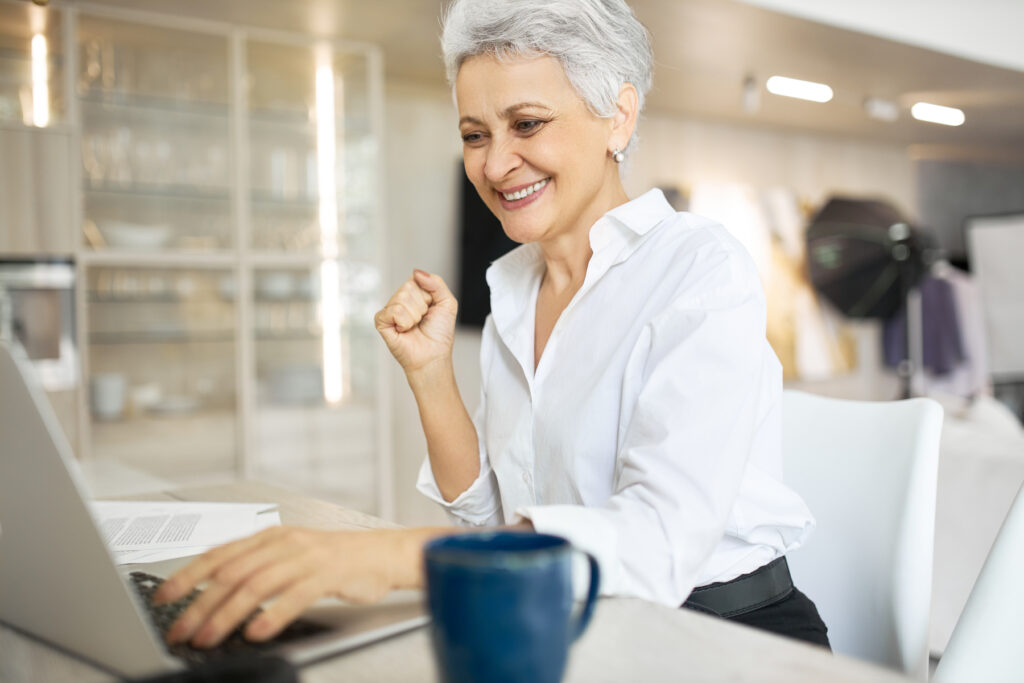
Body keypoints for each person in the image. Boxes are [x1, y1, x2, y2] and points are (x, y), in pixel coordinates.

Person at [154, 0, 830, 649]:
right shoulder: (514, 287)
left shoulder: (699, 270)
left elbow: (657, 543)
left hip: (721, 634)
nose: (495, 164)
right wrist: (429, 374)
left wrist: (389, 554)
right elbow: (491, 522)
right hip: (573, 614)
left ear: (618, 118)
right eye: (475, 134)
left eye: (527, 124)